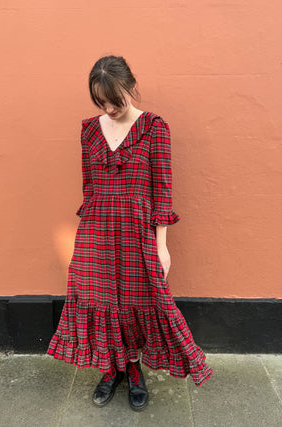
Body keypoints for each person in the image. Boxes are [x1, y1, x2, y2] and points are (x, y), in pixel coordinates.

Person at [47, 55, 213, 411]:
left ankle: (133, 369)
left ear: (130, 87)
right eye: (100, 101)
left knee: (137, 303)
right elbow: (89, 187)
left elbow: (162, 191)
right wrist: (87, 235)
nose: (108, 107)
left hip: (137, 232)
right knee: (100, 299)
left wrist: (161, 245)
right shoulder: (89, 130)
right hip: (96, 231)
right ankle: (112, 369)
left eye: (115, 99)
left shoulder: (154, 127)